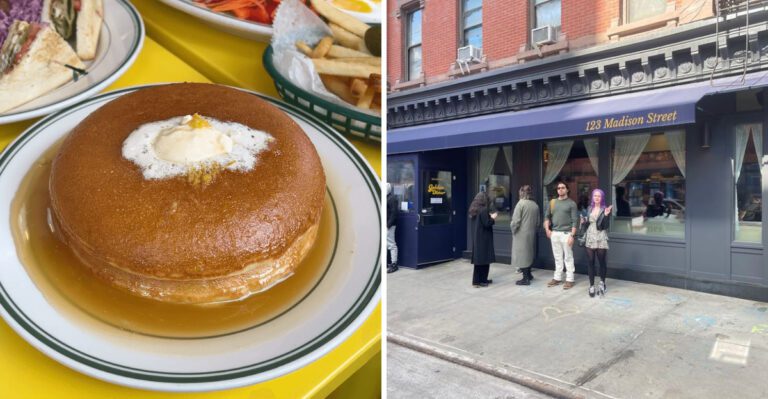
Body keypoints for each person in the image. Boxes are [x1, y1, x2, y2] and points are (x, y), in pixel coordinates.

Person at [544, 181, 578, 289]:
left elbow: (574, 221)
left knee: (568, 257)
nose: (560, 190)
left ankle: (570, 279)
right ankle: (557, 278)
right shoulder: (552, 202)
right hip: (555, 233)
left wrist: (572, 235)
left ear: (567, 189)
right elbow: (547, 217)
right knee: (557, 257)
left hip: (566, 233)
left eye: (563, 188)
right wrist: (547, 230)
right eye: (558, 188)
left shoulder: (571, 203)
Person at [580, 189, 611, 297]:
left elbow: (606, 226)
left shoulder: (604, 209)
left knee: (602, 261)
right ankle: (592, 285)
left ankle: (602, 283)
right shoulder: (589, 208)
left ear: (602, 198)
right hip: (590, 236)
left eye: (599, 196)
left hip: (601, 236)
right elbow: (588, 222)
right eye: (595, 196)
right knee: (591, 262)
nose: (597, 197)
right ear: (592, 197)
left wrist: (606, 215)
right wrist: (584, 220)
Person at [511, 185, 540, 285]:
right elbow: (538, 222)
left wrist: (513, 230)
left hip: (521, 233)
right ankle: (529, 275)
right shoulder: (535, 205)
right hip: (531, 233)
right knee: (529, 254)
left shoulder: (520, 204)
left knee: (522, 255)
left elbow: (515, 221)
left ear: (521, 193)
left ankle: (525, 278)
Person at [469, 192, 498, 287]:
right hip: (484, 238)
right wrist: (493, 218)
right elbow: (487, 223)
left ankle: (477, 281)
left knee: (478, 261)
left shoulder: (473, 210)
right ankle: (482, 280)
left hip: (477, 238)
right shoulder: (483, 210)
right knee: (485, 260)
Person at [386, 183, 399, 274]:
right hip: (387, 225)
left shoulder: (391, 199)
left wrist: (388, 225)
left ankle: (394, 264)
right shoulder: (387, 198)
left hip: (389, 225)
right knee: (387, 244)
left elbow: (394, 213)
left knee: (391, 244)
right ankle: (389, 263)